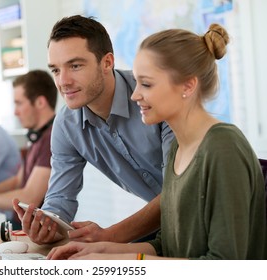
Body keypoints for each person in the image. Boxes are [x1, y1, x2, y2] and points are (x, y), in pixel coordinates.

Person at [47, 23, 267, 260]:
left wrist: (127, 258)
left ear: (188, 85)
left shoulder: (222, 145)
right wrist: (101, 250)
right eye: (56, 70)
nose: (133, 94)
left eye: (147, 84)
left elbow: (225, 266)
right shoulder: (178, 153)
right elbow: (169, 243)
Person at [12, 15, 175, 244]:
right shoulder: (67, 126)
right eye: (56, 70)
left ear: (107, 62)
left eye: (75, 66)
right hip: (169, 223)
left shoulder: (152, 96)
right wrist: (47, 224)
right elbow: (60, 199)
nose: (63, 81)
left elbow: (178, 190)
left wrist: (109, 236)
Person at [0, 69, 58, 229]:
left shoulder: (52, 139)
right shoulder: (37, 136)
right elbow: (17, 181)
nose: (15, 111)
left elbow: (29, 197)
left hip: (32, 232)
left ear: (40, 102)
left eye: (19, 103)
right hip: (18, 225)